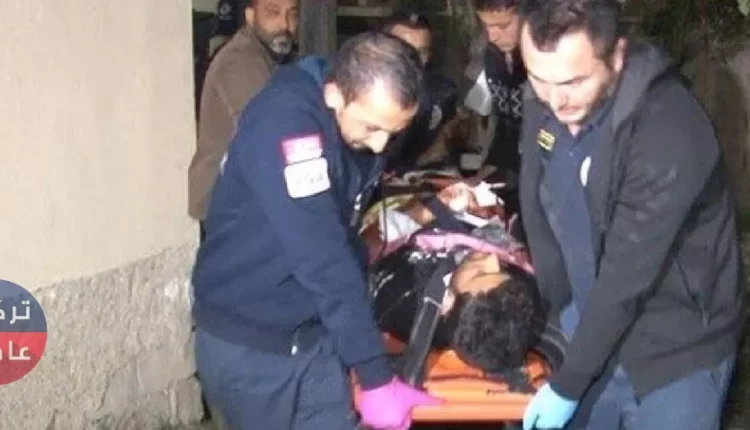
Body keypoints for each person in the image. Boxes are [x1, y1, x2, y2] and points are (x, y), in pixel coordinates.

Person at [191, 31, 441, 430]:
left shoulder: (351, 123)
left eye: (392, 133)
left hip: (313, 336)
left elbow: (342, 232)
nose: (380, 145)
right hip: (252, 346)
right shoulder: (286, 127)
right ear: (334, 95)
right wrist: (375, 376)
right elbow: (322, 257)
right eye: (372, 127)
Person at [516, 1, 746, 429]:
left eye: (573, 82)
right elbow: (538, 208)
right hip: (583, 333)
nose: (554, 99)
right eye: (537, 78)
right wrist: (552, 316)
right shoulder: (543, 102)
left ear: (617, 56)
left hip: (673, 349)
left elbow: (627, 273)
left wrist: (569, 384)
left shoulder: (668, 128)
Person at [188, 0, 299, 242]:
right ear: (250, 16)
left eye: (292, 15)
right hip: (227, 202)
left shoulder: (279, 58)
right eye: (273, 13)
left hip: (251, 195)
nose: (285, 24)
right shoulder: (239, 60)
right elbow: (270, 126)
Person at [370, 239, 544, 374]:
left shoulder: (398, 298)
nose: (492, 259)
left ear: (449, 303)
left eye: (479, 273)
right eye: (502, 270)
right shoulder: (501, 299)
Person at [380, 12, 459, 171]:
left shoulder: (442, 94)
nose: (413, 60)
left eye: (422, 52)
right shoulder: (358, 92)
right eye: (403, 50)